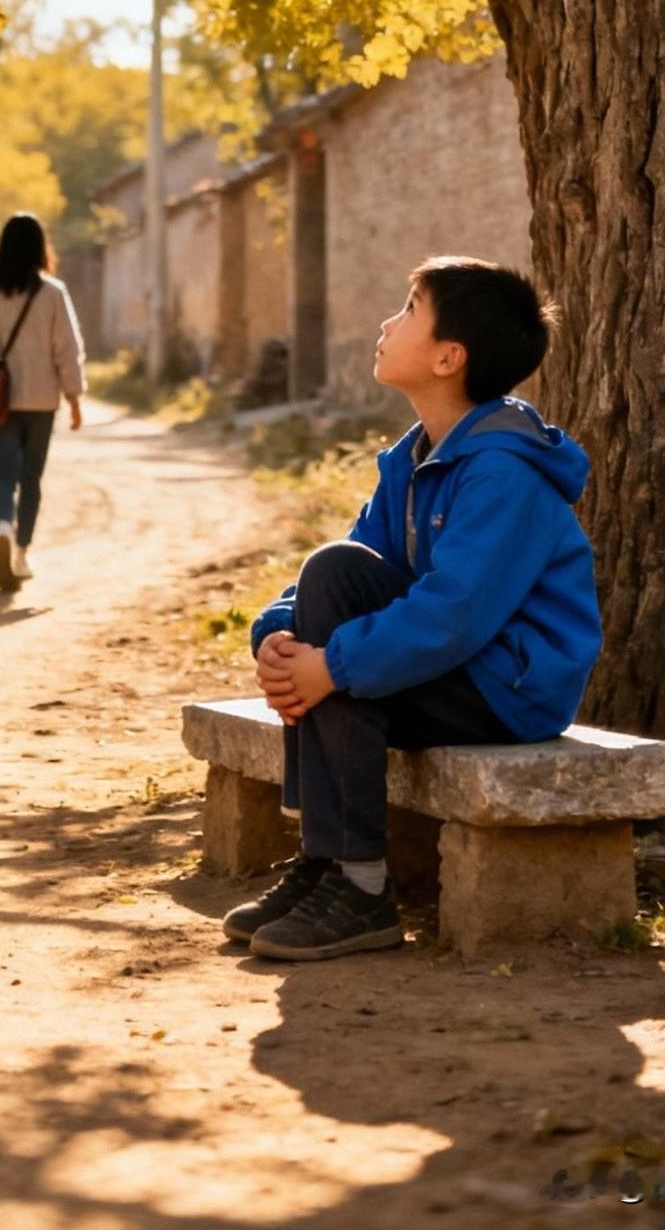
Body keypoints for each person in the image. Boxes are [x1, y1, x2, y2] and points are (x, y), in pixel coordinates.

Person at [224, 255, 602, 963]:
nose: (386, 322)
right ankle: (325, 862)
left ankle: (362, 888)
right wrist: (279, 636)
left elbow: (453, 612)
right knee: (333, 574)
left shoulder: (503, 472)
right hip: (449, 665)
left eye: (408, 310)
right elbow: (354, 567)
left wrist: (330, 662)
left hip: (507, 687)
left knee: (338, 646)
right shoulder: (412, 458)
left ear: (447, 356)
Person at [0, 211, 85, 591]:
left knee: (3, 473)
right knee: (31, 478)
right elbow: (67, 349)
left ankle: (1, 527)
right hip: (42, 400)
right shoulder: (53, 293)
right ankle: (21, 553)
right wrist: (74, 398)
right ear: (40, 248)